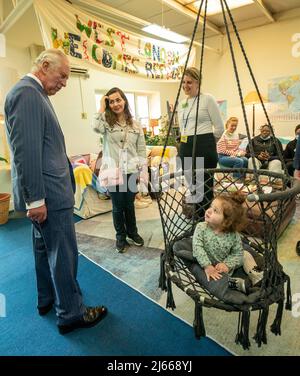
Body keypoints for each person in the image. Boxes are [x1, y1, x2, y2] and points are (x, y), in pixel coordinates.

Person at [4, 49, 107, 335]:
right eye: (62, 76)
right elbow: (27, 153)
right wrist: (36, 199)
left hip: (45, 194)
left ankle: (47, 300)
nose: (64, 83)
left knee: (43, 250)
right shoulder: (27, 94)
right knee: (62, 254)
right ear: (44, 65)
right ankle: (71, 313)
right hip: (48, 196)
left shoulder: (34, 94)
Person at [93, 88, 147, 253]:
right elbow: (95, 126)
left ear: (124, 101)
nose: (116, 104)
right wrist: (101, 106)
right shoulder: (106, 123)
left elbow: (141, 150)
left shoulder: (136, 125)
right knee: (117, 206)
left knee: (129, 205)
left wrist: (141, 170)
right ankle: (120, 237)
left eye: (119, 100)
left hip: (131, 170)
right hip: (113, 170)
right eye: (112, 101)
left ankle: (133, 232)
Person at [192, 191, 263, 294]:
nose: (209, 211)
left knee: (245, 254)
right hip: (208, 267)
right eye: (211, 207)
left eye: (215, 211)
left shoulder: (233, 235)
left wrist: (227, 264)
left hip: (225, 267)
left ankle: (256, 276)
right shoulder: (201, 227)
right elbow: (197, 248)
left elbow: (237, 253)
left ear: (226, 221)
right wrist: (207, 266)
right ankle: (240, 285)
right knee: (214, 279)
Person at [177, 67, 224, 216]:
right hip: (185, 146)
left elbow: (219, 128)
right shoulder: (182, 103)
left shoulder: (207, 99)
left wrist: (208, 143)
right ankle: (198, 218)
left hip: (204, 144)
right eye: (183, 82)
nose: (185, 85)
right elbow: (182, 128)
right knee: (192, 186)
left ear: (198, 83)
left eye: (189, 82)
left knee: (205, 186)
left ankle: (206, 220)